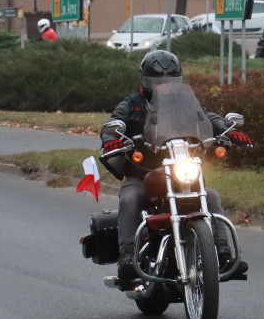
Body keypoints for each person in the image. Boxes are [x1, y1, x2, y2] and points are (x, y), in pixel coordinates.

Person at [100, 50, 252, 284]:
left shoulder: (186, 102)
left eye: (170, 82)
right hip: (143, 174)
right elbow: (115, 121)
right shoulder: (133, 103)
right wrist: (112, 135)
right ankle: (127, 257)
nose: (164, 86)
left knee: (211, 197)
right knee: (129, 199)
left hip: (180, 170)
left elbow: (206, 116)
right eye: (157, 81)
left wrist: (226, 129)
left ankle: (223, 253)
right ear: (144, 81)